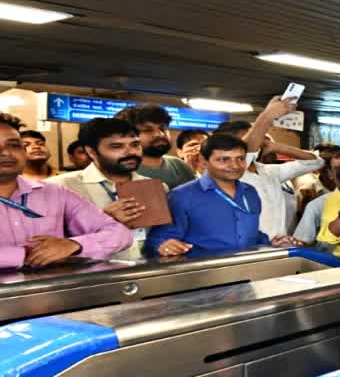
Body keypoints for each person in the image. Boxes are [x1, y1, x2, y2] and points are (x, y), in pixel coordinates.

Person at [0, 113, 132, 269]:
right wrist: (26, 254)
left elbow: (120, 233)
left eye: (14, 145)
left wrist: (74, 245)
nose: (6, 153)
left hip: (55, 289)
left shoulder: (54, 193)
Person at [49, 118, 167, 261]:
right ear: (91, 151)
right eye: (117, 146)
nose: (130, 152)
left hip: (148, 272)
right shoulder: (59, 188)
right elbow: (51, 244)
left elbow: (163, 235)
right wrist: (104, 220)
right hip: (94, 276)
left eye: (135, 145)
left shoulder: (157, 187)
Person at [147, 133, 283, 257]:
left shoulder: (250, 192)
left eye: (240, 159)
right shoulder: (182, 196)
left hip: (246, 271)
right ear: (204, 161)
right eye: (224, 160)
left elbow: (250, 234)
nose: (235, 165)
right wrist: (163, 245)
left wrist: (271, 243)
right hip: (204, 275)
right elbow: (158, 239)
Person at [213, 98, 319, 240]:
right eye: (255, 137)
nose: (259, 142)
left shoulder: (270, 171)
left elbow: (315, 163)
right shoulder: (228, 174)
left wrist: (277, 147)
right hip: (247, 248)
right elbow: (247, 148)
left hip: (279, 245)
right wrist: (267, 116)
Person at [115, 104, 195, 189]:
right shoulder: (119, 169)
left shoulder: (179, 166)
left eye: (163, 128)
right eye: (147, 130)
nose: (159, 134)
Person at [293, 146, 340, 250]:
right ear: (330, 173)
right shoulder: (316, 206)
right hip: (331, 263)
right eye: (339, 169)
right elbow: (302, 243)